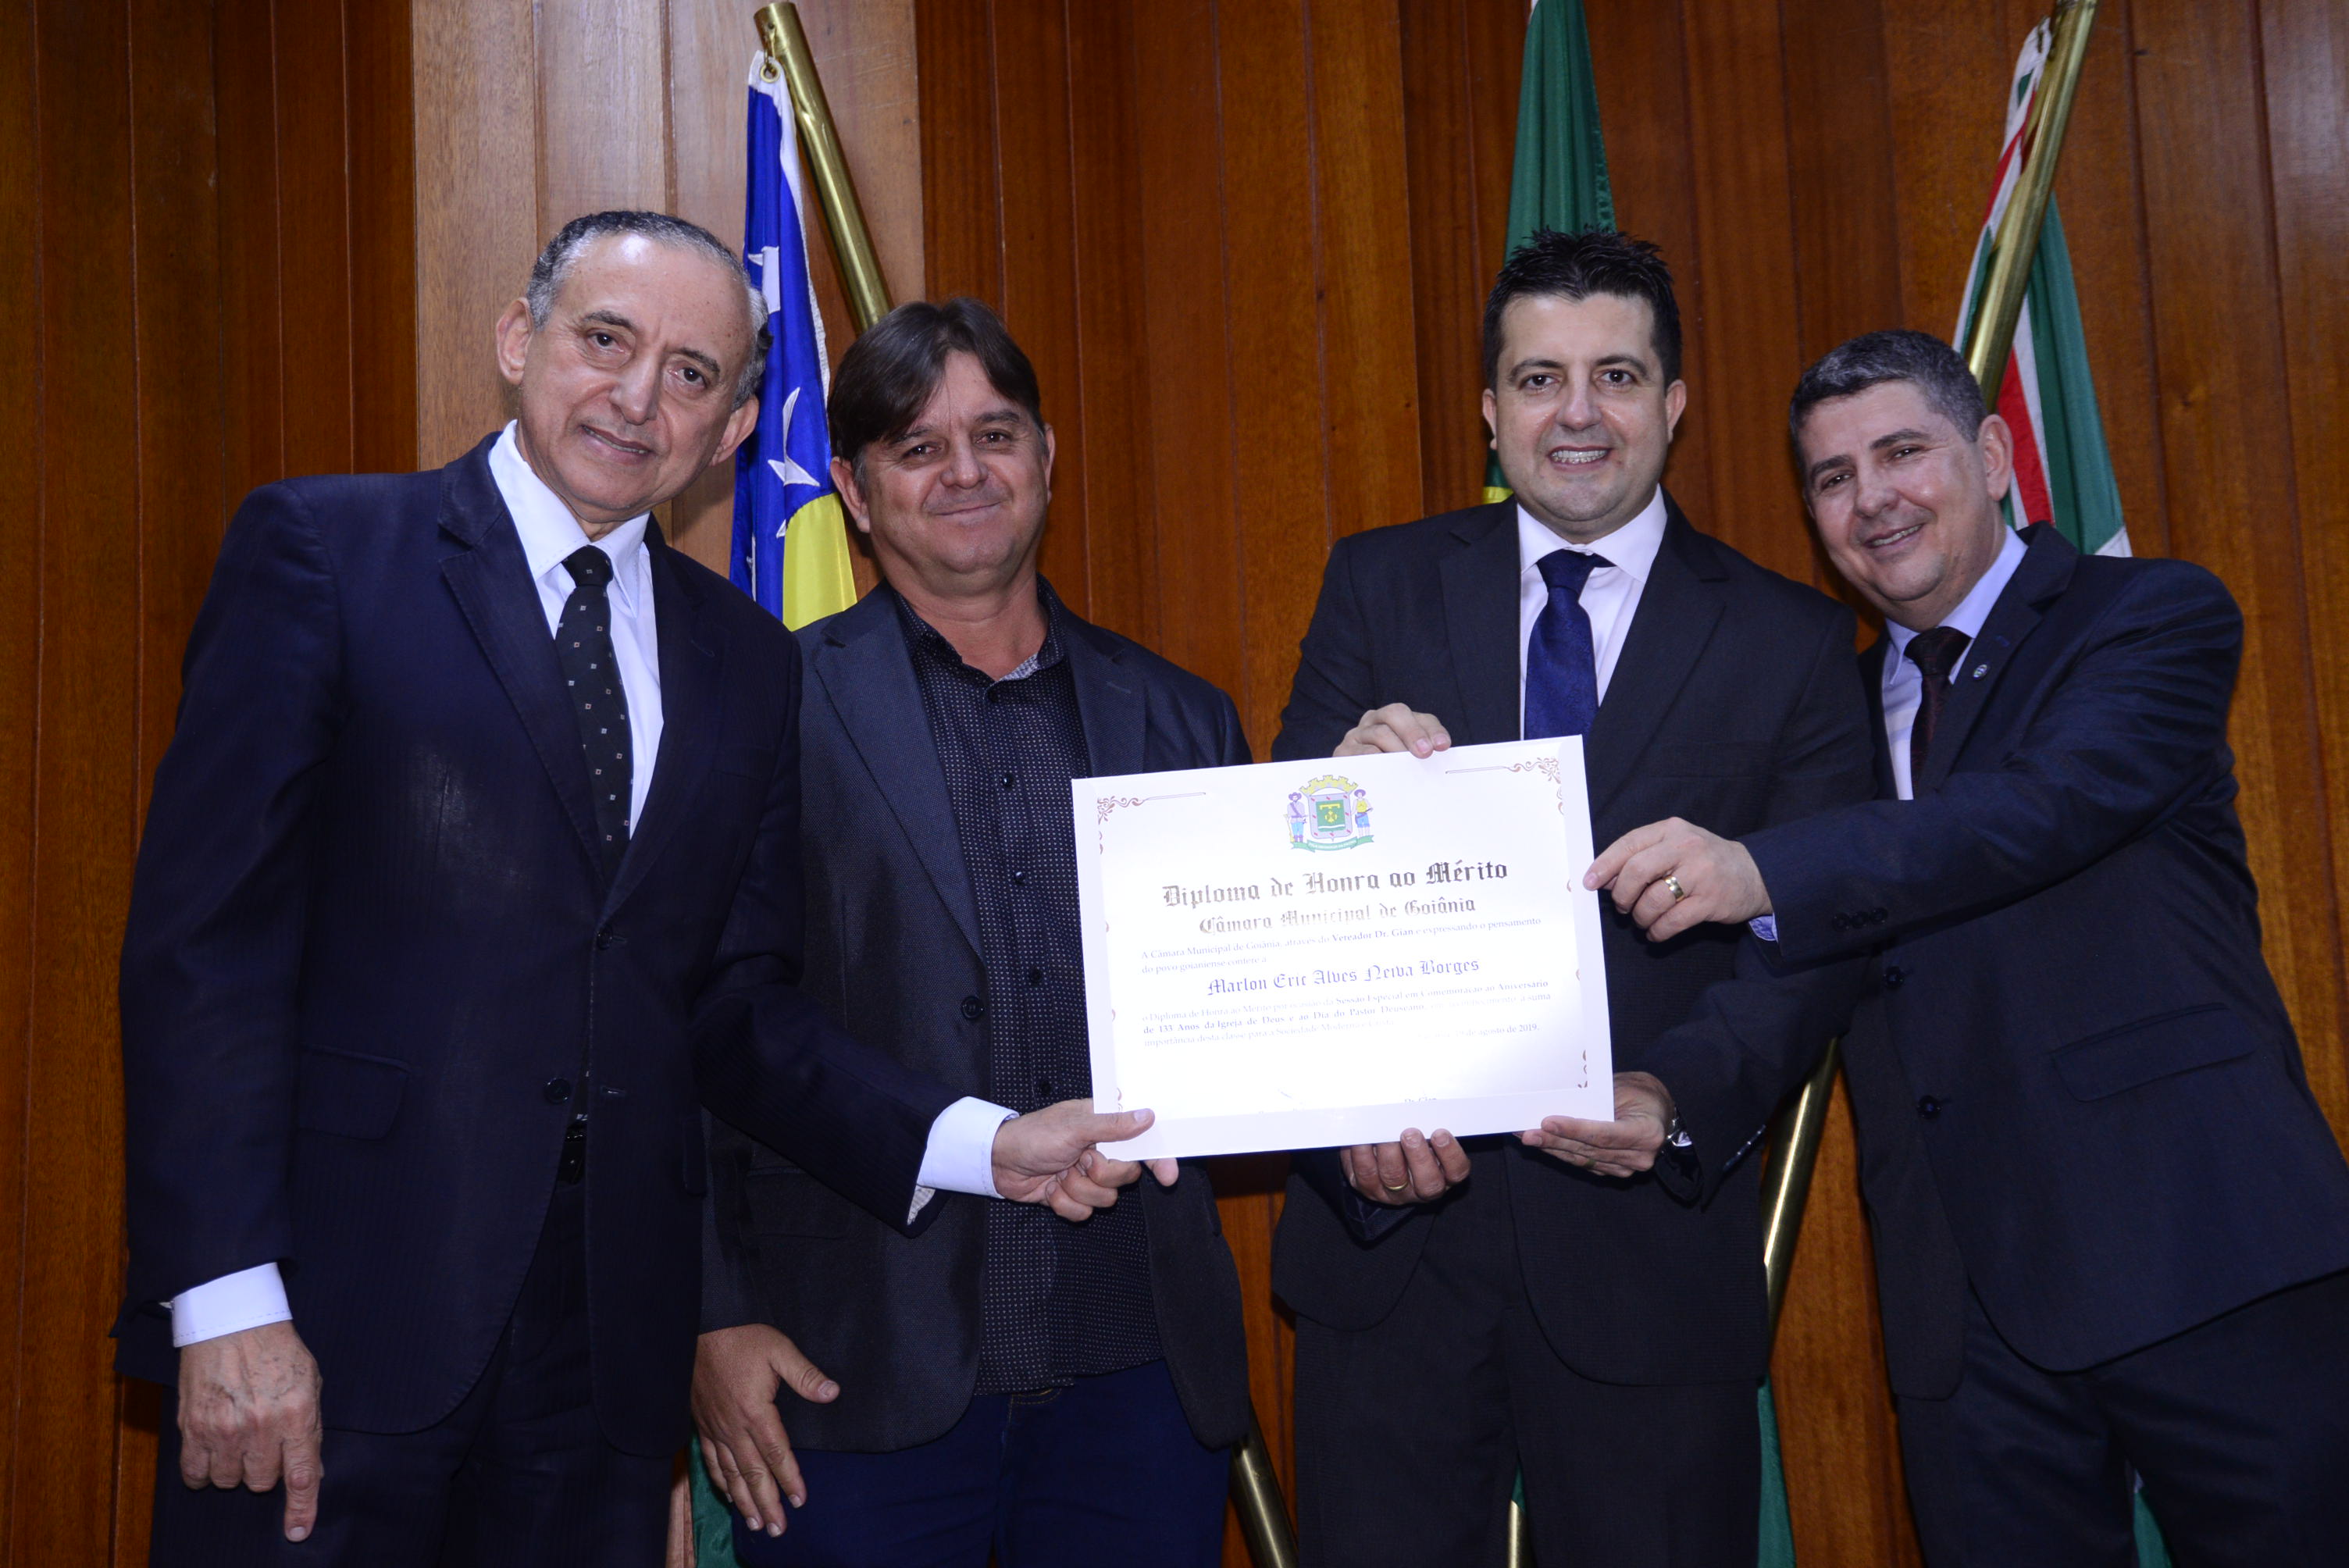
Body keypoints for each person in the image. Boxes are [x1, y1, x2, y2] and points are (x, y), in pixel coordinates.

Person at [116, 212, 1156, 1568]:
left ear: (733, 431)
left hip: (601, 1373)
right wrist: (224, 1296)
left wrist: (976, 1143)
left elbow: (734, 1007)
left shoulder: (745, 660)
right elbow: (207, 949)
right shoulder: (325, 551)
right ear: (519, 340)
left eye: (691, 373)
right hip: (326, 1328)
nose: (636, 395)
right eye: (606, 340)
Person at [1588, 327, 2349, 1566]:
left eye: (1903, 453)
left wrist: (1765, 867)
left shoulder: (2144, 616)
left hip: (2202, 1253)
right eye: (1834, 478)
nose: (1872, 499)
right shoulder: (1828, 709)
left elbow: (2039, 811)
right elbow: (1800, 964)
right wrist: (1670, 1097)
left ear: (1993, 456)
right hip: (1961, 1309)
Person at [1267, 228, 1875, 1566]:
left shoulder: (1789, 637)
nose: (1578, 413)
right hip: (1393, 1248)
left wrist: (1672, 1101)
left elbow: (1816, 937)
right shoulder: (1378, 585)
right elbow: (1290, 881)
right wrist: (1332, 789)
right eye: (1540, 379)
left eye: (1617, 375)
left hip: (1645, 1257)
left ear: (1674, 403)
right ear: (1491, 412)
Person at [690, 298, 1251, 1568]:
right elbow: (707, 1024)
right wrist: (711, 1315)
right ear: (852, 489)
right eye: (918, 447)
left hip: (1141, 1385)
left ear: (1046, 455)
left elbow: (1260, 1005)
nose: (965, 472)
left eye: (995, 435)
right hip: (853, 1380)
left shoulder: (1183, 718)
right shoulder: (764, 705)